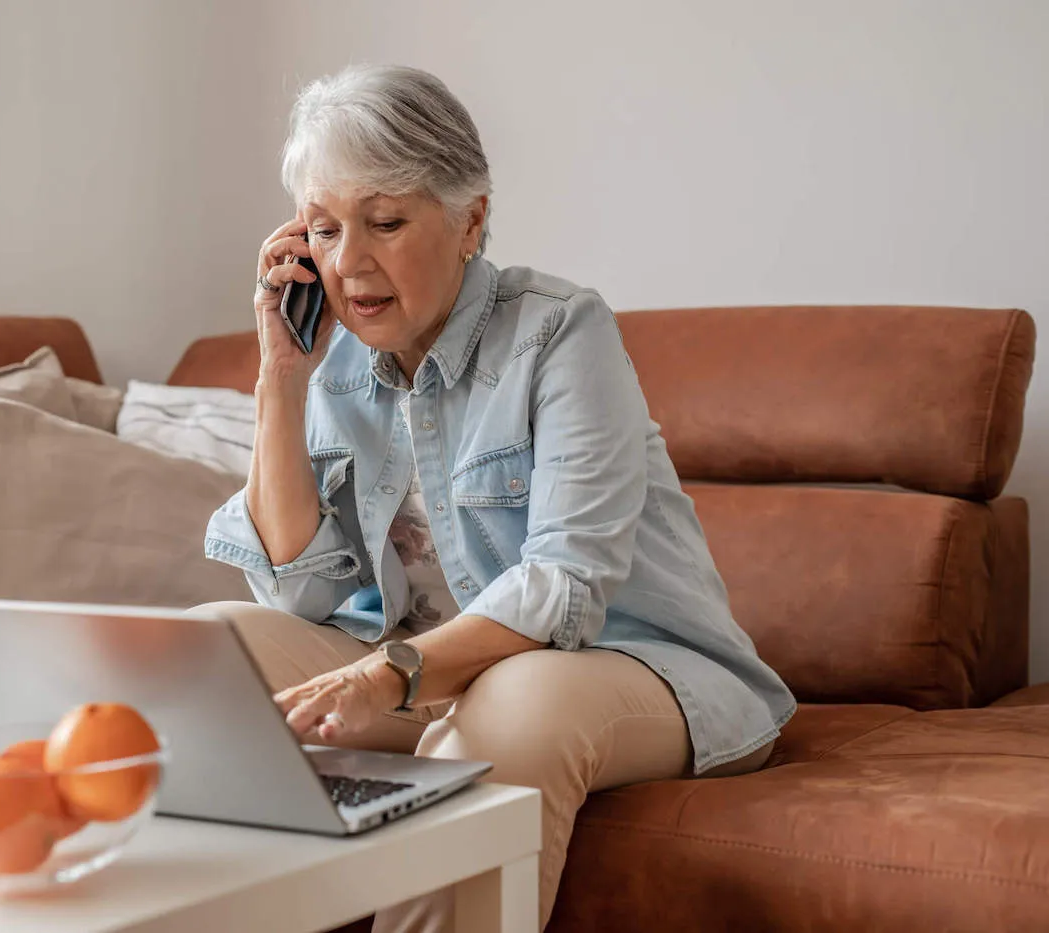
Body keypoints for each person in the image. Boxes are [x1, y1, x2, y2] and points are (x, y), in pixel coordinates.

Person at [201, 63, 795, 933]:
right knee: (206, 655)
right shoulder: (329, 354)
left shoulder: (560, 332)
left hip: (633, 670)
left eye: (386, 221)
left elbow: (565, 584)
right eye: (324, 230)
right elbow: (299, 591)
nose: (349, 262)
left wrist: (388, 672)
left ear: (471, 217)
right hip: (422, 679)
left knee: (514, 703)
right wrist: (279, 377)